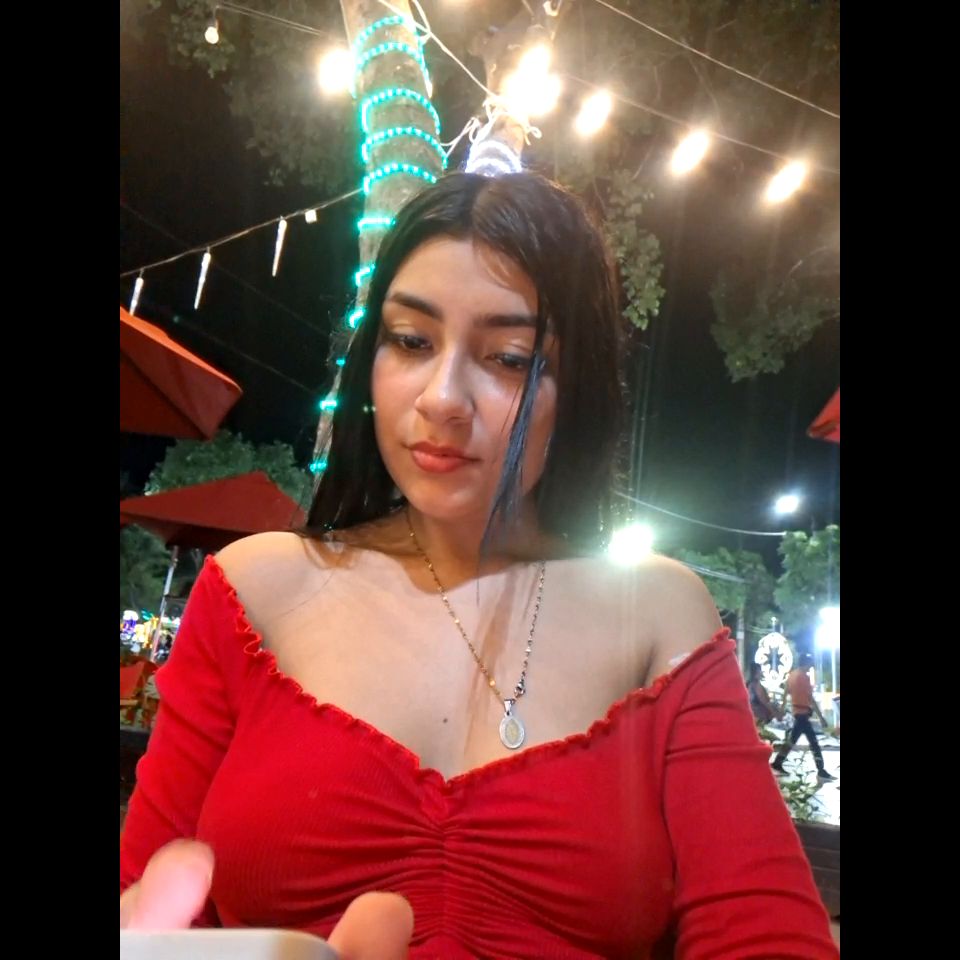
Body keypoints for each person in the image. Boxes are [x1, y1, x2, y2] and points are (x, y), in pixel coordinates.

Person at [120, 172, 838, 958]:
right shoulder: (256, 590)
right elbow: (148, 902)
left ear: (578, 386)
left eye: (508, 357)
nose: (442, 398)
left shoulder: (657, 615)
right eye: (411, 340)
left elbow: (764, 932)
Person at [772, 652, 837, 781]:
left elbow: (786, 693)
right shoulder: (804, 677)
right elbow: (810, 698)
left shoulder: (791, 676)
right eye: (810, 664)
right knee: (814, 743)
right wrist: (821, 717)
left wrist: (781, 710)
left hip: (797, 712)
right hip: (803, 714)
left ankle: (778, 762)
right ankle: (821, 770)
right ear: (805, 663)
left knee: (793, 740)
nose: (811, 666)